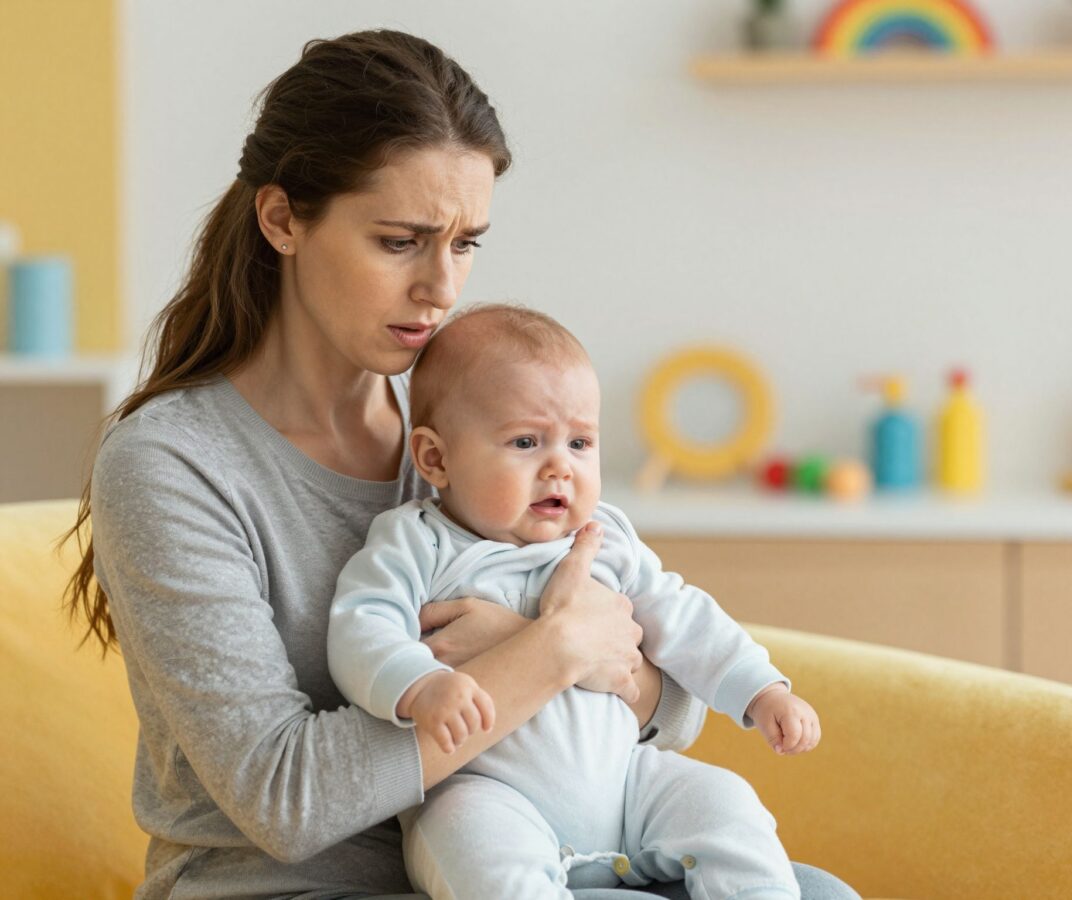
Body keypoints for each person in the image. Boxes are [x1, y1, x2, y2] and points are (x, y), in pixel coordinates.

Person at [63, 29, 861, 900]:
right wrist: (550, 650)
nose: (442, 287)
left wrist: (555, 654)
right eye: (400, 242)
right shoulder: (174, 464)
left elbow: (669, 713)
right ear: (283, 219)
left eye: (467, 243)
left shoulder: (478, 437)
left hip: (538, 859)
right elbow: (284, 799)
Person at [327, 303, 822, 900]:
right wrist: (419, 684)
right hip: (490, 792)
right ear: (436, 458)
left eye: (580, 441)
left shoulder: (604, 540)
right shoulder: (419, 541)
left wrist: (761, 688)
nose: (560, 467)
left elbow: (683, 614)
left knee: (728, 805)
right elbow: (362, 624)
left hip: (629, 784)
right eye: (526, 441)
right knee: (470, 846)